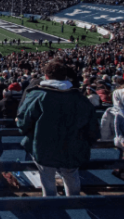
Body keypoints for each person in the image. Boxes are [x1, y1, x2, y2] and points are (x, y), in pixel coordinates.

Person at [16, 60, 100, 197]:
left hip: (44, 147)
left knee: (47, 175)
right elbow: (92, 128)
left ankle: (51, 203)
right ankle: (73, 201)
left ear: (46, 76)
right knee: (71, 174)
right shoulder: (79, 98)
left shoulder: (38, 95)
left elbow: (23, 123)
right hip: (72, 147)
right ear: (65, 76)